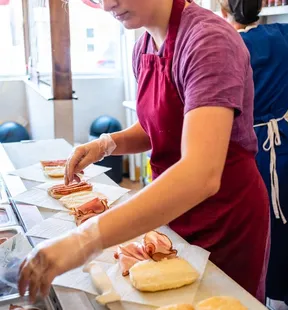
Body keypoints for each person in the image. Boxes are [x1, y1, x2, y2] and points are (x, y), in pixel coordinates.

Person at [18, 0, 270, 303]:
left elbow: (201, 174)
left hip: (225, 218)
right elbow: (161, 126)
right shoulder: (145, 46)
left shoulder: (209, 42)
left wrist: (84, 240)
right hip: (172, 211)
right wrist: (106, 144)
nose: (107, 4)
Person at [219, 0, 288, 308]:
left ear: (223, 11)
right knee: (284, 227)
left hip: (242, 149)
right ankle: (283, 298)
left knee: (246, 232)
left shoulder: (224, 45)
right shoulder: (287, 36)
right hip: (282, 147)